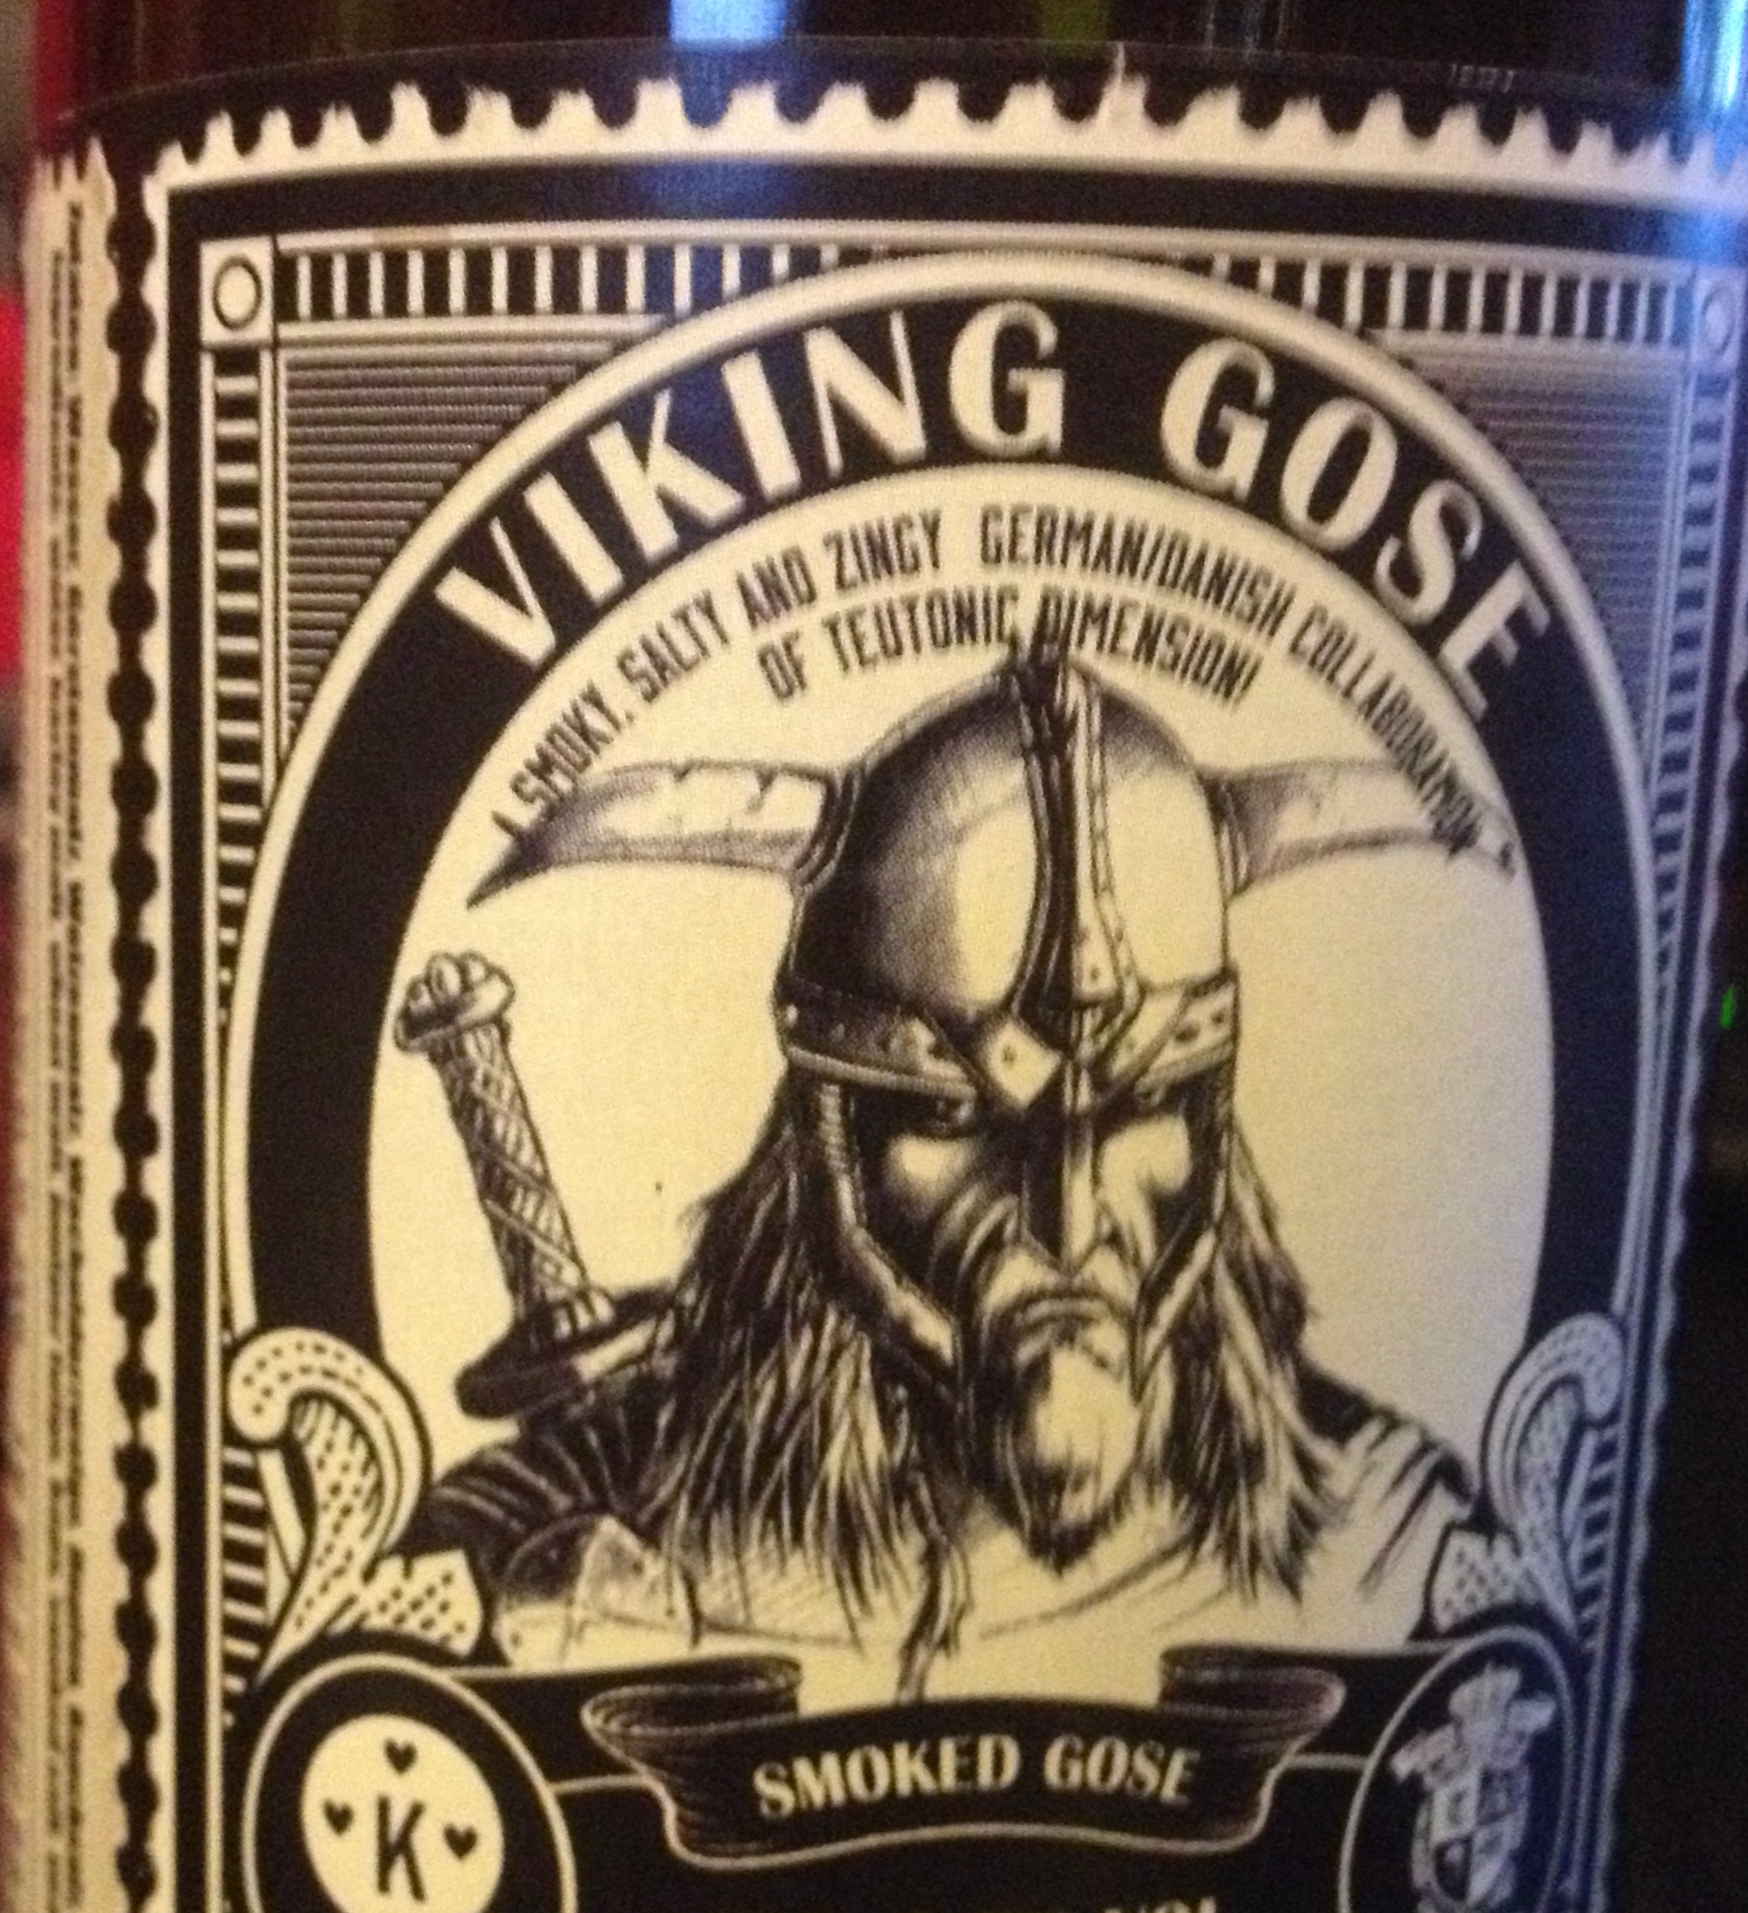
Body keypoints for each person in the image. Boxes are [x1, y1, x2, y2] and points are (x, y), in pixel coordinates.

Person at [404, 645, 1505, 1704]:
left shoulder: (1390, 1532)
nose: (1067, 1227)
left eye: (1144, 1109)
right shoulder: (597, 1507)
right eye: (950, 1117)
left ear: (1211, 1131)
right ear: (824, 1147)